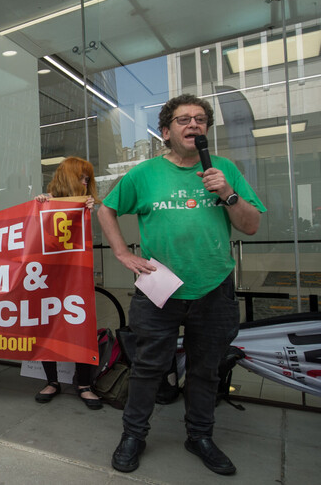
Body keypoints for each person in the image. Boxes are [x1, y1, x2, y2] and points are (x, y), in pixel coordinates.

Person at [97, 94, 265, 476]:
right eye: (184, 119)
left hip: (214, 287)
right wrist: (122, 253)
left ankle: (200, 435)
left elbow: (251, 224)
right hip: (159, 288)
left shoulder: (224, 170)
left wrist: (226, 192)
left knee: (206, 368)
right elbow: (104, 207)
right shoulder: (145, 173)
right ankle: (133, 435)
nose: (194, 125)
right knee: (147, 367)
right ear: (165, 131)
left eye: (201, 119)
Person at [33, 157, 102, 410]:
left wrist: (88, 209)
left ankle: (84, 384)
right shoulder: (46, 202)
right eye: (82, 178)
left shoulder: (86, 205)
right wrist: (39, 206)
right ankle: (52, 381)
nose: (86, 183)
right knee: (48, 325)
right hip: (49, 277)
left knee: (80, 325)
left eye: (88, 178)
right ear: (70, 177)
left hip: (77, 278)